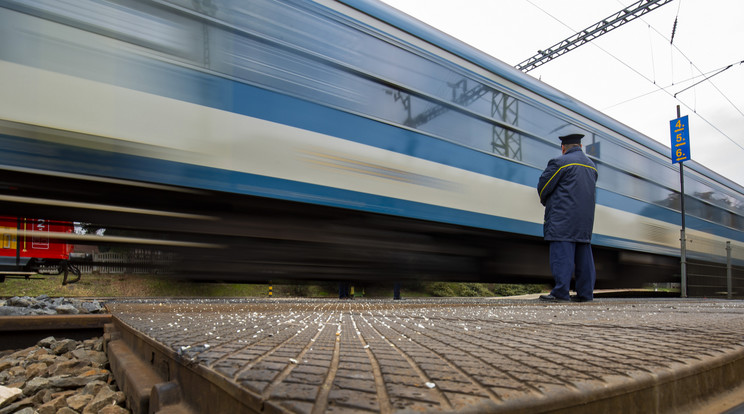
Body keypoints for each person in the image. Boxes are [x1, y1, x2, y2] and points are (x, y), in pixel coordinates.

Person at [536, 133, 598, 302]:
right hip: (585, 219)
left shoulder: (560, 163)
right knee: (583, 254)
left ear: (563, 148)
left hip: (563, 217)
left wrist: (546, 201)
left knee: (562, 254)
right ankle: (586, 294)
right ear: (580, 147)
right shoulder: (592, 166)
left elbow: (543, 187)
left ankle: (560, 293)